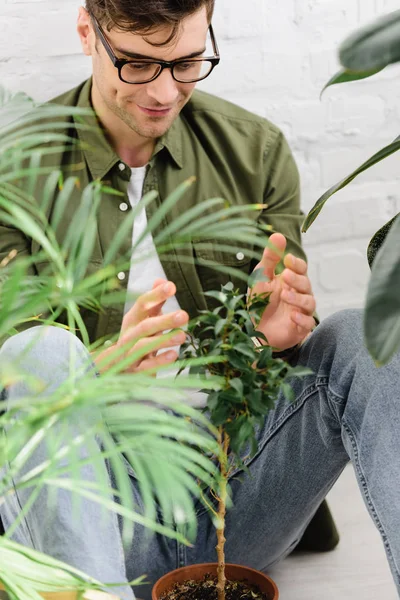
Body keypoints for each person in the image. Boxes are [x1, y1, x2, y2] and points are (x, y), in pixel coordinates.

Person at [2, 1, 399, 598]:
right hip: (91, 515)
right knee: (38, 351)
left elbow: (271, 352)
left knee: (367, 337)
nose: (165, 91)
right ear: (88, 34)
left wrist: (269, 334)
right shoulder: (15, 171)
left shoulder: (254, 149)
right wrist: (101, 373)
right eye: (137, 63)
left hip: (234, 504)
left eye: (187, 61)